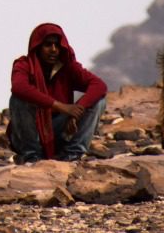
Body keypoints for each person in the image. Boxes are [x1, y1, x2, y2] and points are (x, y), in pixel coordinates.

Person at [8, 22, 107, 163]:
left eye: (57, 45)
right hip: (31, 133)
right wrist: (62, 107)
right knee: (18, 99)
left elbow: (99, 85)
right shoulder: (24, 64)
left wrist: (76, 112)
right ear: (38, 47)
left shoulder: (68, 66)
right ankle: (31, 155)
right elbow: (19, 87)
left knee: (99, 101)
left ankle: (73, 153)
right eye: (47, 45)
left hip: (58, 130)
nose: (53, 50)